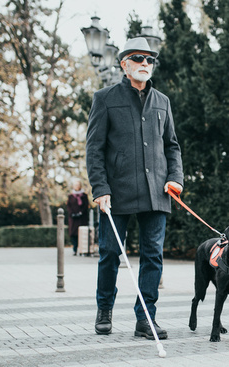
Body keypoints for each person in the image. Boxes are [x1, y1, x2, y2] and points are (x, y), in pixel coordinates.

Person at [86, 37, 184, 338]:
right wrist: (100, 188)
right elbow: (94, 149)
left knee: (153, 255)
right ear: (124, 63)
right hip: (116, 193)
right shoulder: (105, 98)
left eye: (150, 60)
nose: (145, 64)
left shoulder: (163, 102)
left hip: (157, 193)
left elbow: (172, 146)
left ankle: (146, 318)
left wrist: (175, 178)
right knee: (110, 254)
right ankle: (104, 309)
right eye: (139, 58)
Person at [66, 179, 90, 255]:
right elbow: (68, 206)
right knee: (74, 234)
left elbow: (86, 206)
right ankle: (74, 249)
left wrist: (81, 213)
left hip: (82, 218)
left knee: (82, 234)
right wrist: (72, 213)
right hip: (73, 218)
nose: (76, 186)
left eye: (77, 185)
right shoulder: (70, 196)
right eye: (75, 185)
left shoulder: (84, 196)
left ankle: (82, 250)